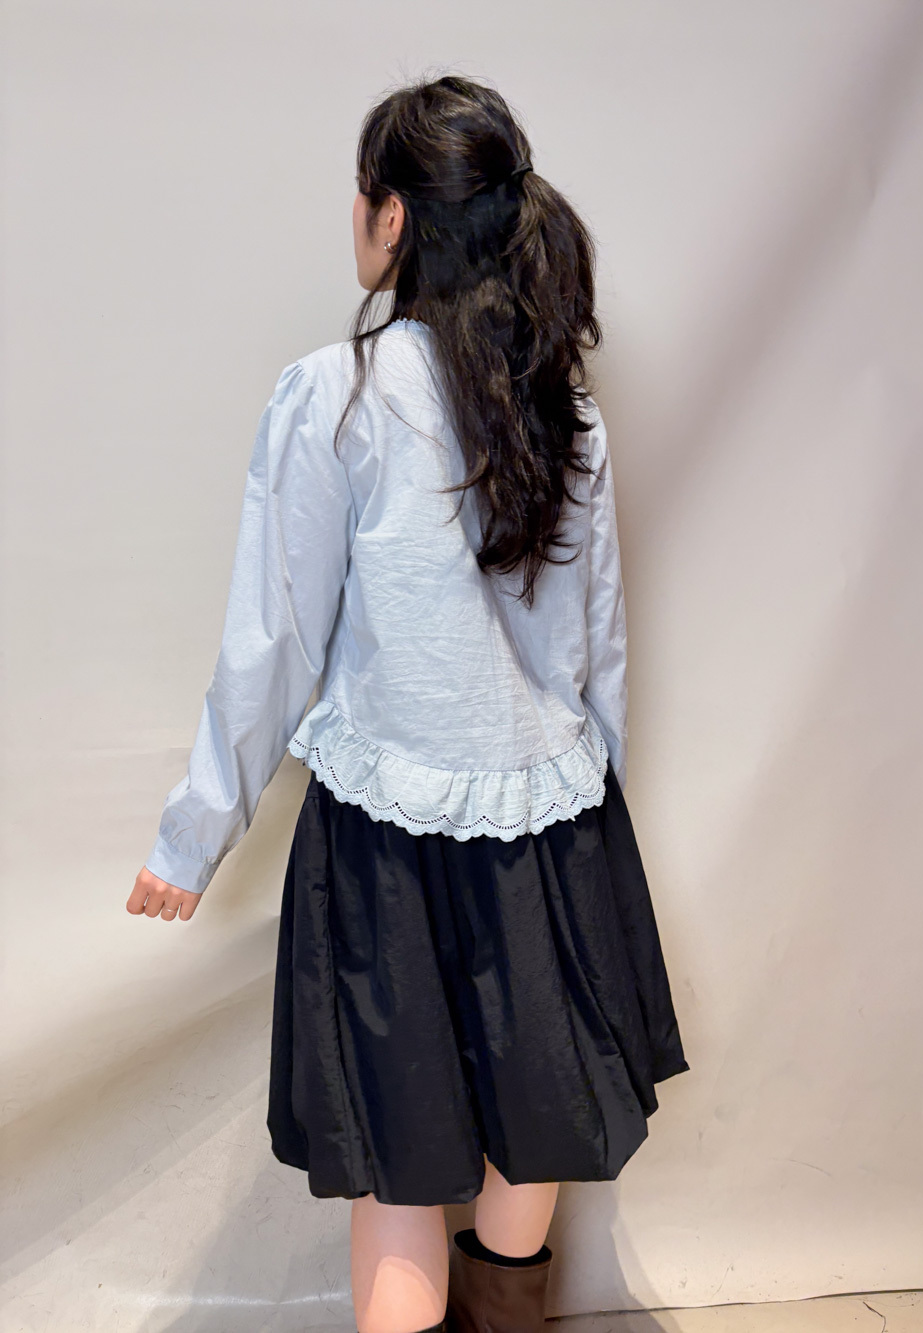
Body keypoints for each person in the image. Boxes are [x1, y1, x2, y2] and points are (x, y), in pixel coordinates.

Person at [127, 73, 689, 1333]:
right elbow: (596, 641)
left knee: (398, 1161)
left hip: (386, 843)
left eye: (361, 194)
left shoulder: (336, 395)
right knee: (530, 1123)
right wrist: (593, 816)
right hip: (550, 828)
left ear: (391, 216)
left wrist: (193, 832)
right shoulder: (564, 406)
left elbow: (272, 638)